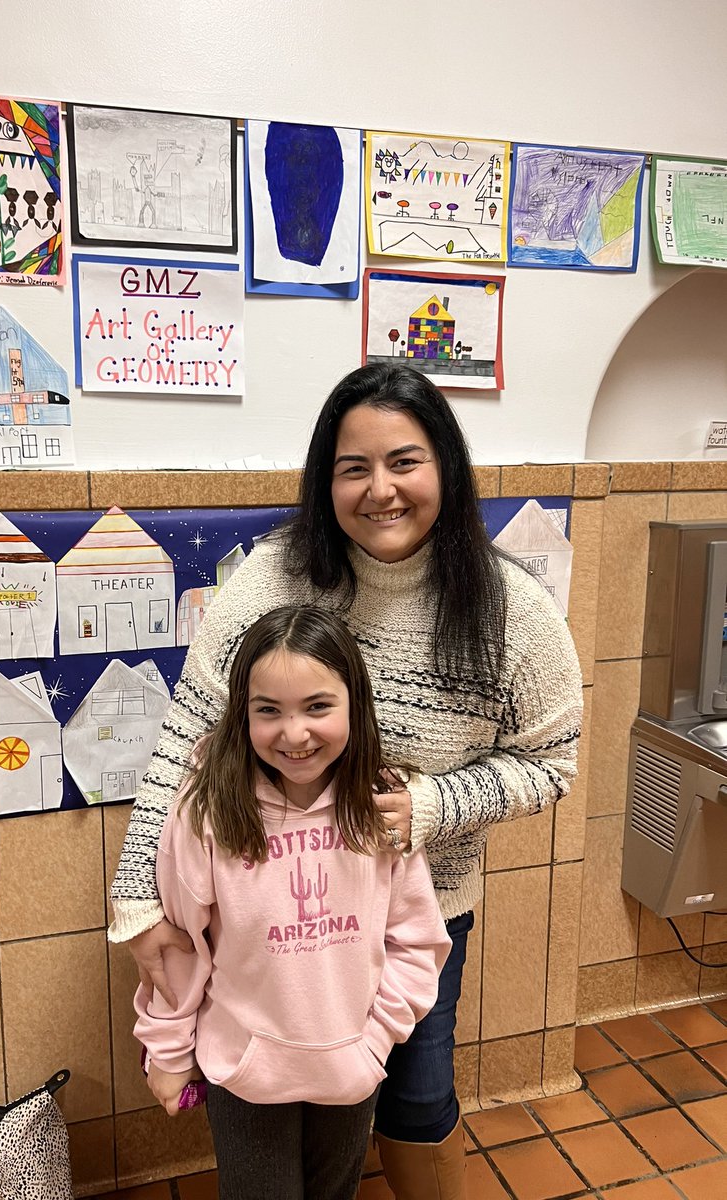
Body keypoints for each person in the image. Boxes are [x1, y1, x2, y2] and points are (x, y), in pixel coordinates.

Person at [111, 362, 583, 1200]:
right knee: (286, 1116)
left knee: (416, 1095)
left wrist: (431, 807)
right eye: (353, 467)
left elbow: (555, 762)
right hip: (271, 923)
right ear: (324, 477)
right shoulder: (275, 577)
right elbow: (186, 738)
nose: (381, 490)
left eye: (404, 461)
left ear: (445, 465)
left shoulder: (509, 605)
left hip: (418, 907)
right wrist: (137, 899)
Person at [134, 605, 451, 1200]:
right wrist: (169, 1049)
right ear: (242, 714)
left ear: (354, 704)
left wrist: (373, 1039)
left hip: (351, 1066)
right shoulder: (207, 809)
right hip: (245, 1070)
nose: (294, 733)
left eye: (317, 706)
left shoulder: (382, 806)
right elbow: (177, 945)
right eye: (268, 711)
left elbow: (417, 939)